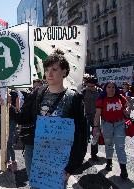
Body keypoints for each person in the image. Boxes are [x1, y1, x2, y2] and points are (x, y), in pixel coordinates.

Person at [10, 49, 88, 185]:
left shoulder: (74, 98)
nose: (49, 73)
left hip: (58, 154)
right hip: (34, 150)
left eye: (54, 69)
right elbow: (23, 118)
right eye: (46, 70)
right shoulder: (37, 93)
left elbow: (81, 134)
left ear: (64, 72)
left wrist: (71, 166)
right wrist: (7, 106)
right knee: (35, 186)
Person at [93, 81, 129, 179]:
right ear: (105, 89)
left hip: (120, 125)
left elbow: (127, 107)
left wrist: (127, 111)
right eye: (109, 87)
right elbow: (97, 114)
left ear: (115, 88)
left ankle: (124, 170)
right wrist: (96, 127)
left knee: (120, 147)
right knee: (109, 145)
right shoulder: (101, 100)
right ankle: (109, 163)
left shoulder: (120, 97)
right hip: (107, 125)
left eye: (113, 87)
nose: (111, 89)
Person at [82, 76, 102, 161]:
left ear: (95, 85)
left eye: (91, 86)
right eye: (87, 86)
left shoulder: (100, 92)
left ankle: (94, 154)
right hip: (85, 116)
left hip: (96, 116)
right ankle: (82, 153)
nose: (89, 88)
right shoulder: (83, 91)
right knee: (84, 136)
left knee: (95, 136)